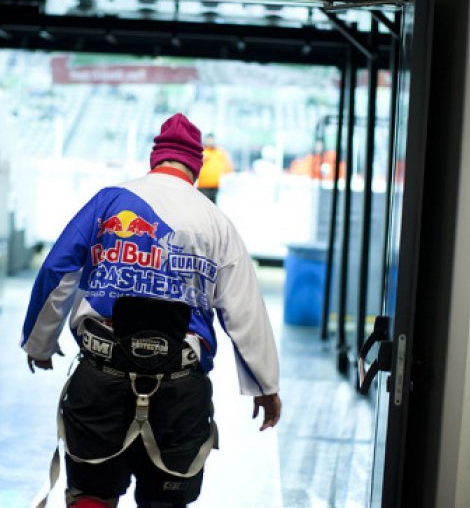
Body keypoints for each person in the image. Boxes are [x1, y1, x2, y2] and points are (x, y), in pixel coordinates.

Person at [21, 113, 281, 508]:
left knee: (91, 495)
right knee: (165, 502)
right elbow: (244, 308)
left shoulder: (108, 200)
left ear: (155, 159)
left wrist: (39, 343)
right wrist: (266, 385)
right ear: (196, 165)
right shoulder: (216, 221)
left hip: (101, 377)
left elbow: (58, 270)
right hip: (179, 387)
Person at [196, 133, 233, 204]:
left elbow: (228, 167)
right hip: (203, 185)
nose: (210, 141)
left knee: (213, 208)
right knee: (204, 207)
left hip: (216, 185)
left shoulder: (220, 152)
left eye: (212, 139)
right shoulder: (201, 152)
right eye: (209, 139)